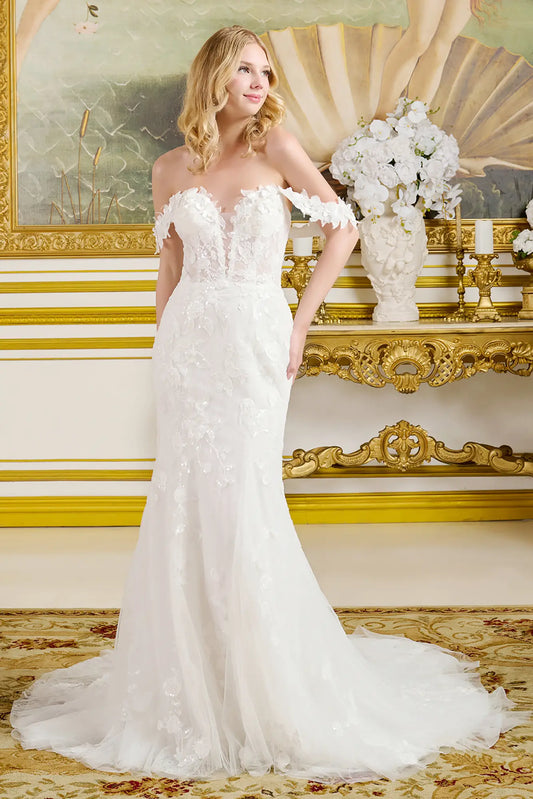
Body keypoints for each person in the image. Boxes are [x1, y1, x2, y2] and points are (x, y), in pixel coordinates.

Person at [10, 25, 528, 785]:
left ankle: (266, 682)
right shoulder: (167, 169)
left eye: (263, 70)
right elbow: (170, 268)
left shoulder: (274, 147)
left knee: (246, 497)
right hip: (189, 346)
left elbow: (342, 229)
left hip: (256, 335)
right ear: (213, 75)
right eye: (242, 68)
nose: (256, 81)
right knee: (184, 496)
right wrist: (163, 349)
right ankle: (191, 681)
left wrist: (300, 320)